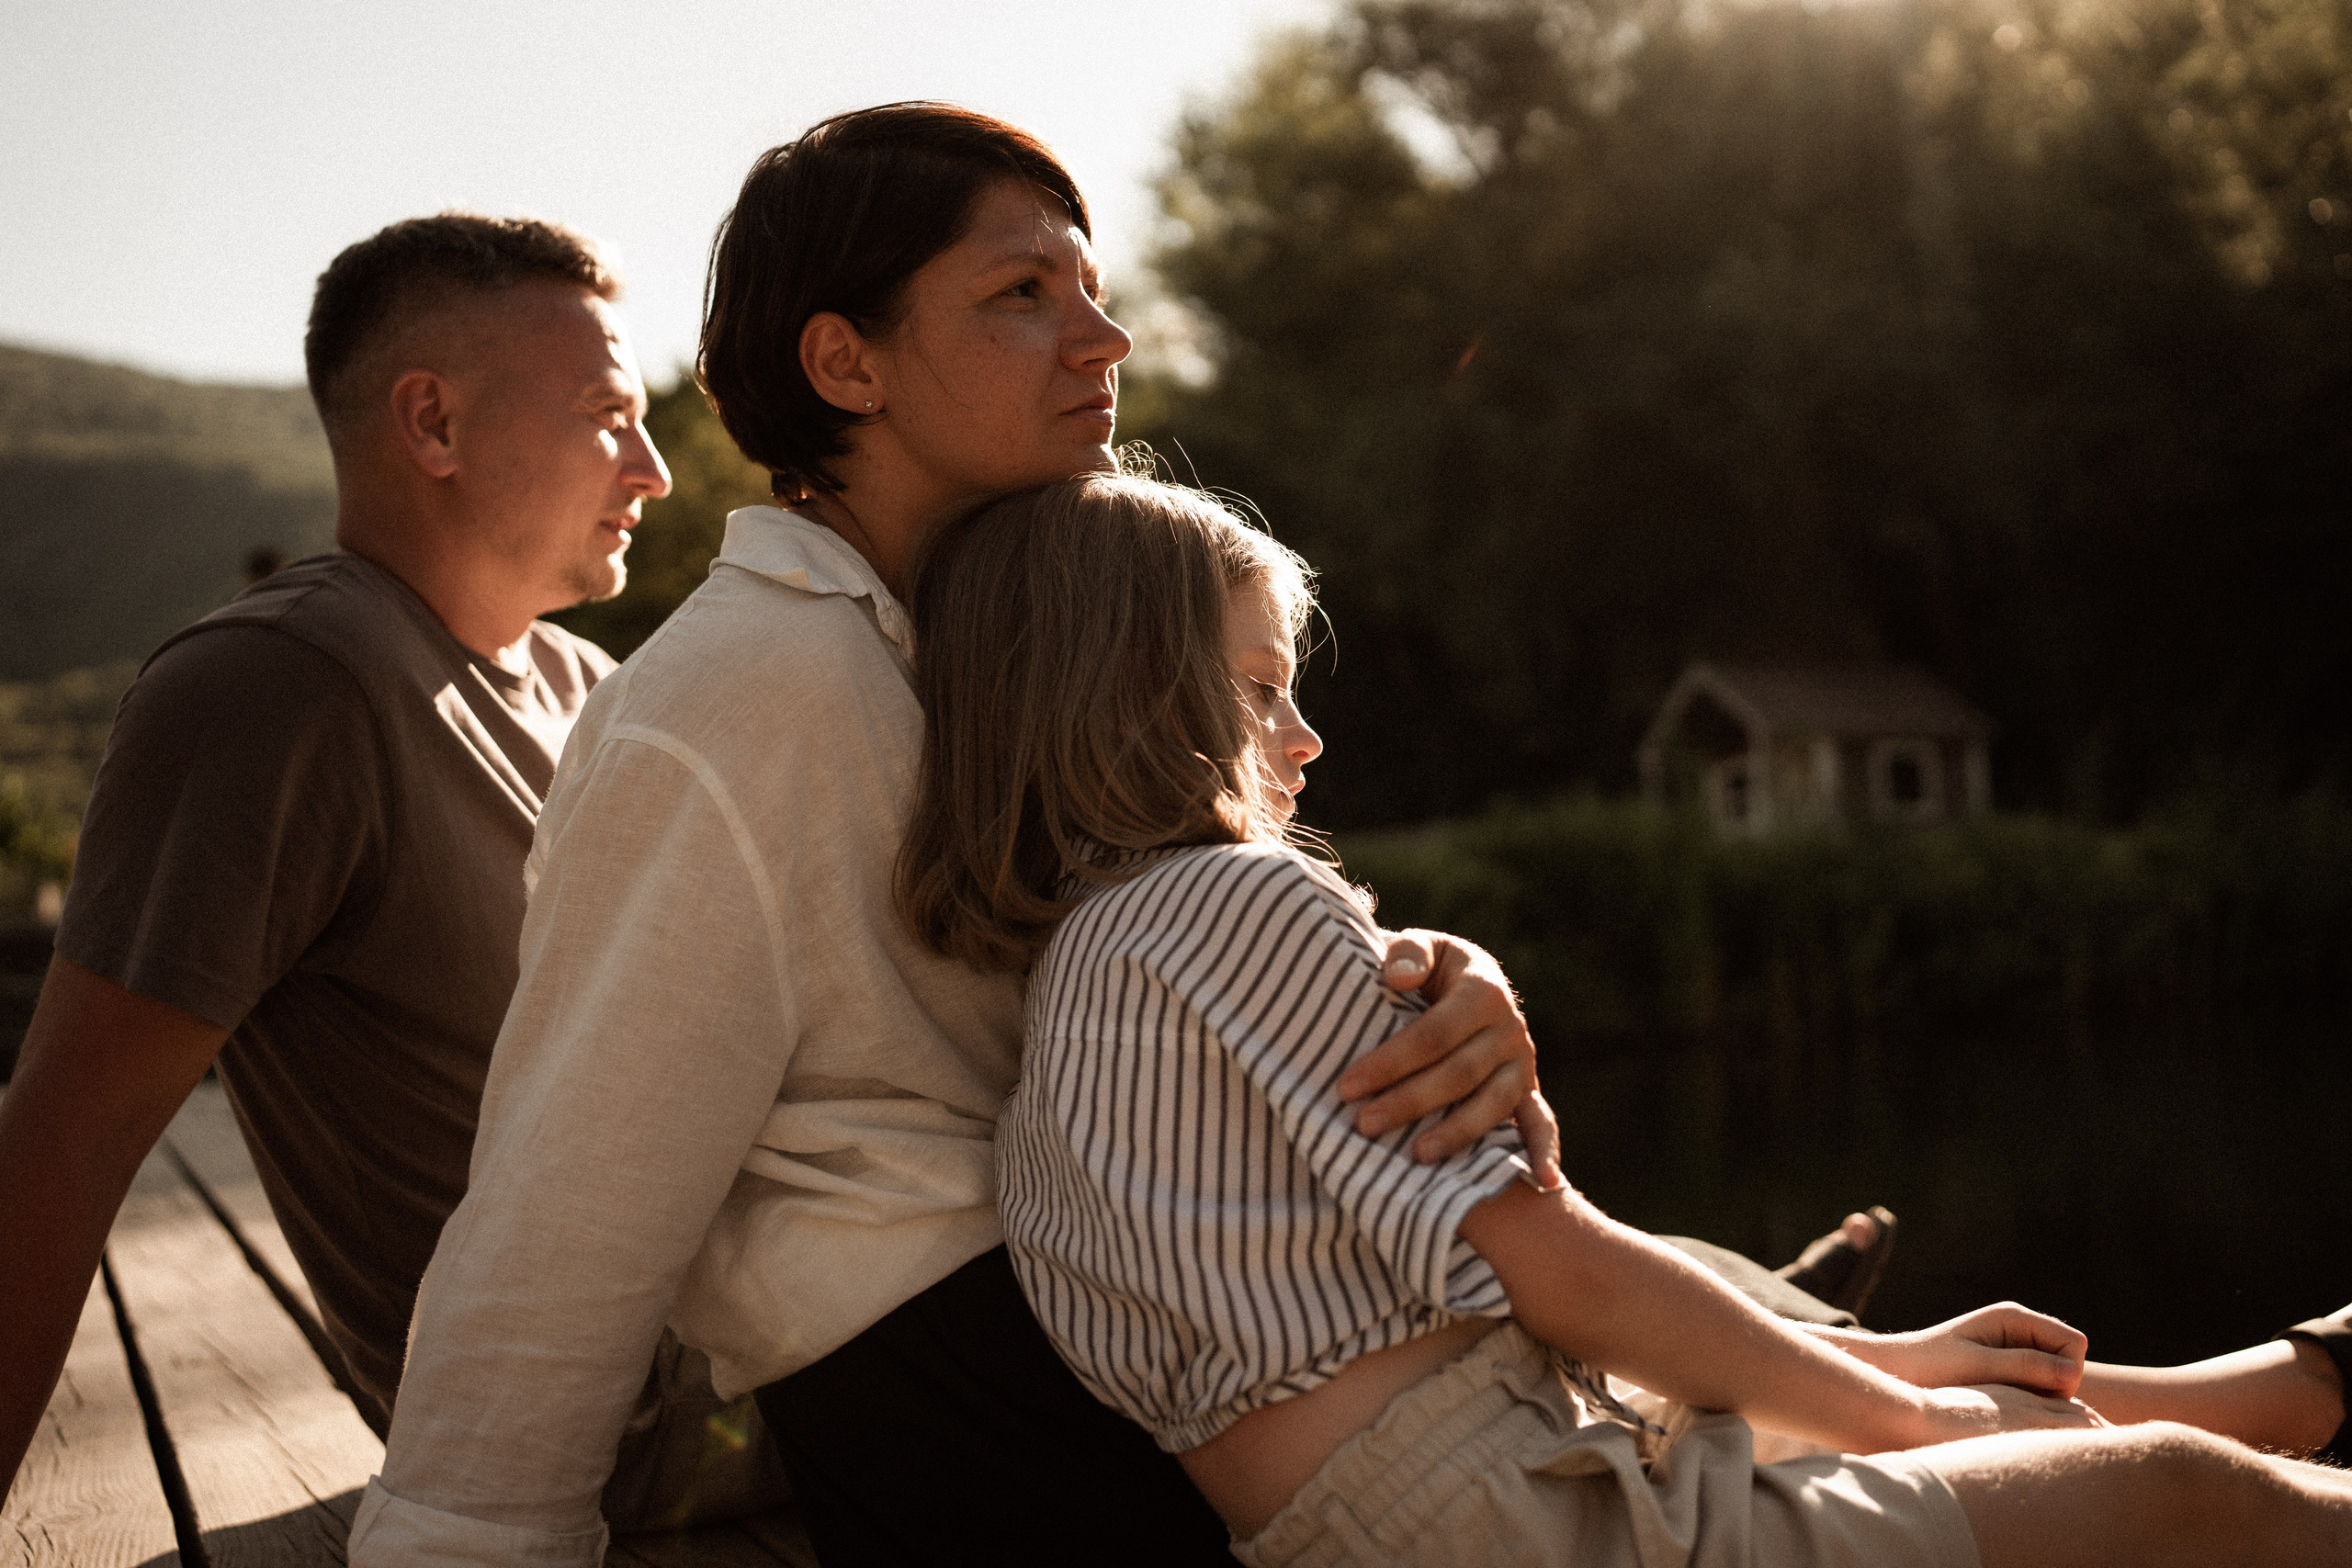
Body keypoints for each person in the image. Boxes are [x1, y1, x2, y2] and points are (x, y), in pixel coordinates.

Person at [353, 104, 1631, 1568]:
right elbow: (571, 1199)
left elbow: (1183, 937)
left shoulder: (1012, 639)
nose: (1106, 340)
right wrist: (462, 1541)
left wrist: (1429, 978)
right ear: (848, 364)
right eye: (1022, 293)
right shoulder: (737, 698)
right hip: (978, 1417)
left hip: (1173, 1337)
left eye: (1090, 288)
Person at [900, 470, 2352, 1568]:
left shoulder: (1076, 990)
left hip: (1415, 1517)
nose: (1306, 738)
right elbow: (1559, 1270)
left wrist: (1897, 1369)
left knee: (2070, 1444)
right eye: (1265, 690)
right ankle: (2267, 1418)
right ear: (1135, 699)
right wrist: (1910, 1418)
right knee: (2181, 1496)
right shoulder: (1232, 901)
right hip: (1527, 1513)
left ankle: (2268, 1401)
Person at [0, 214, 785, 1528]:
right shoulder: (278, 687)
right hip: (626, 1415)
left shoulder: (584, 686)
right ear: (434, 425)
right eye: (609, 417)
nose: (653, 470)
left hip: (768, 1317)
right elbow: (64, 1142)